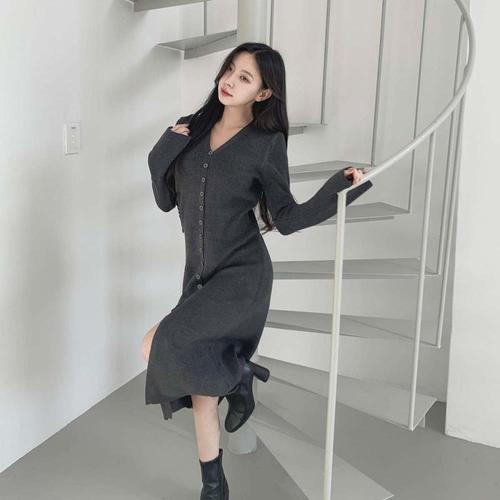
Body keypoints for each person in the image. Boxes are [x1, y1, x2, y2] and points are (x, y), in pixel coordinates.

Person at [140, 41, 373, 499]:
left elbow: (286, 219)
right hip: (198, 278)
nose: (229, 80)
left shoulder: (266, 144)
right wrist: (161, 153)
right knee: (203, 393)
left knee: (154, 343)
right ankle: (214, 487)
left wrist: (339, 191)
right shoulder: (192, 129)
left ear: (264, 93)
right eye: (230, 69)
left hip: (242, 277)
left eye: (244, 77)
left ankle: (241, 373)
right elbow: (166, 201)